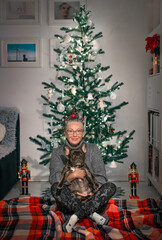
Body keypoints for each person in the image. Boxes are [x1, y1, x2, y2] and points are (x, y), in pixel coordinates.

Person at [49, 110, 116, 233]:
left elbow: (101, 177)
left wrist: (90, 192)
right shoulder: (58, 152)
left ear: (83, 133)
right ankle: (92, 214)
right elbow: (53, 178)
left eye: (78, 130)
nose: (75, 134)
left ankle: (77, 215)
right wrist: (71, 176)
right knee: (54, 188)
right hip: (70, 199)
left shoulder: (92, 149)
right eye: (70, 131)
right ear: (65, 133)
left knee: (110, 186)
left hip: (92, 197)